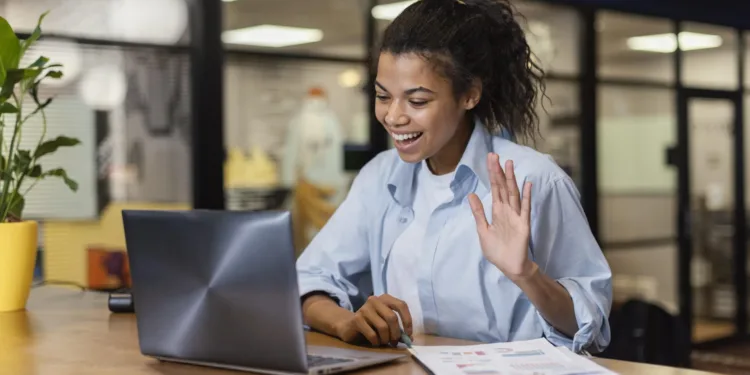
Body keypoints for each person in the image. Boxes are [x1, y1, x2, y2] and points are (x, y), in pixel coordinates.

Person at [295, 0, 612, 354]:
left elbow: (590, 324)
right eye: (383, 97)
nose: (394, 117)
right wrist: (347, 321)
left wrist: (527, 274)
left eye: (417, 101)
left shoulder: (534, 180)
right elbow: (308, 279)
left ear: (469, 94)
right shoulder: (379, 177)